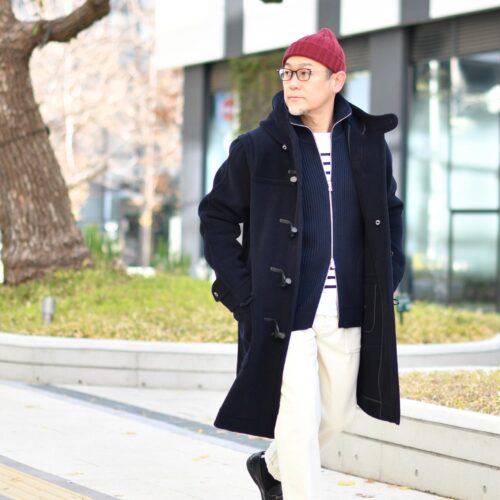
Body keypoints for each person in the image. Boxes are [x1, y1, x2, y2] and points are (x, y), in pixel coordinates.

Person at [198, 27, 405, 500]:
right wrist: (243, 293)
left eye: (305, 73)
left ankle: (270, 467)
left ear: (337, 80)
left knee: (337, 414)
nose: (292, 81)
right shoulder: (257, 147)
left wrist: (388, 275)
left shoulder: (368, 145)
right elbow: (216, 216)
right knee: (296, 421)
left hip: (347, 306)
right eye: (287, 72)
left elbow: (390, 212)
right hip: (282, 311)